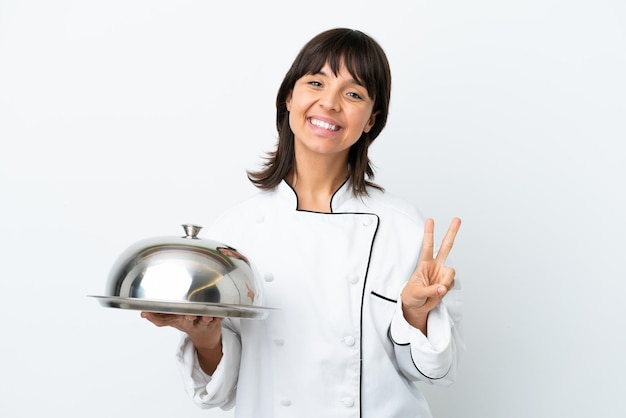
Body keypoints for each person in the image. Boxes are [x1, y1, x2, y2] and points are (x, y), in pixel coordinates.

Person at [142, 27, 463, 417]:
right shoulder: (234, 233)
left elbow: (434, 374)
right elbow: (221, 393)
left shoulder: (404, 228)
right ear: (289, 98)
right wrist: (205, 338)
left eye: (353, 93)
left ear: (370, 121)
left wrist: (415, 313)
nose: (329, 103)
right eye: (316, 82)